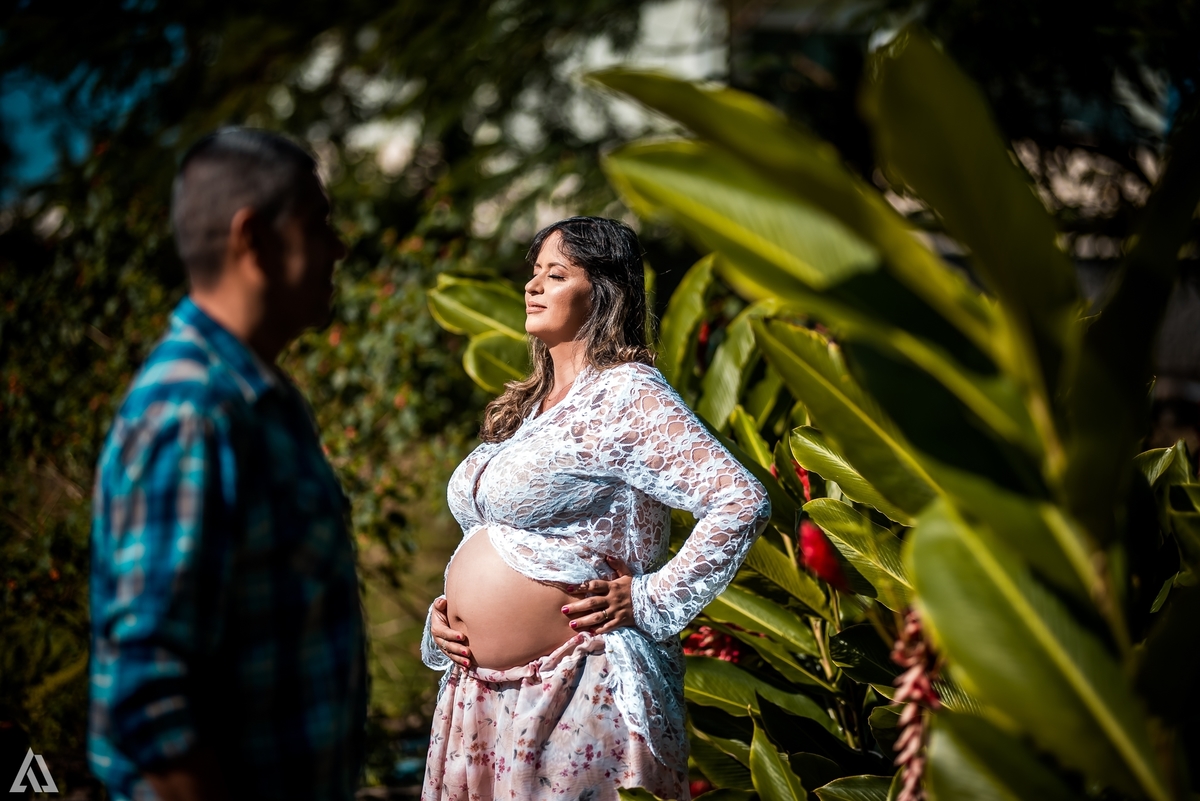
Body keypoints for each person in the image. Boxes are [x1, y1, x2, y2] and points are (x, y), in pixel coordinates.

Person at [420, 217, 771, 800]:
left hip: (579, 685)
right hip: (478, 696)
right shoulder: (529, 408)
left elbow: (738, 500)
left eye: (555, 274)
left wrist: (650, 597)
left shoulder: (626, 393)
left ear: (605, 292)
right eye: (533, 273)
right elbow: (501, 539)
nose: (532, 286)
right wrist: (448, 614)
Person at [88, 128, 366, 801]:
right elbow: (150, 695)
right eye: (317, 222)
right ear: (255, 239)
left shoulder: (258, 395)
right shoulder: (196, 412)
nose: (337, 246)